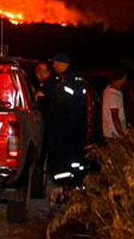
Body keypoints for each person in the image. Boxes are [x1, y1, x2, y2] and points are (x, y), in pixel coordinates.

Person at [44, 53, 88, 185]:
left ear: (62, 63)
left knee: (68, 158)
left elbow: (74, 101)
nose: (53, 66)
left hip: (69, 126)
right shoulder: (61, 79)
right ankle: (70, 182)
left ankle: (70, 183)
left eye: (54, 63)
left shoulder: (74, 80)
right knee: (68, 158)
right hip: (66, 126)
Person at [102, 72, 127, 139]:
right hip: (114, 134)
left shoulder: (108, 89)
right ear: (123, 79)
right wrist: (121, 134)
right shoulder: (113, 95)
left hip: (110, 132)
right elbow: (115, 116)